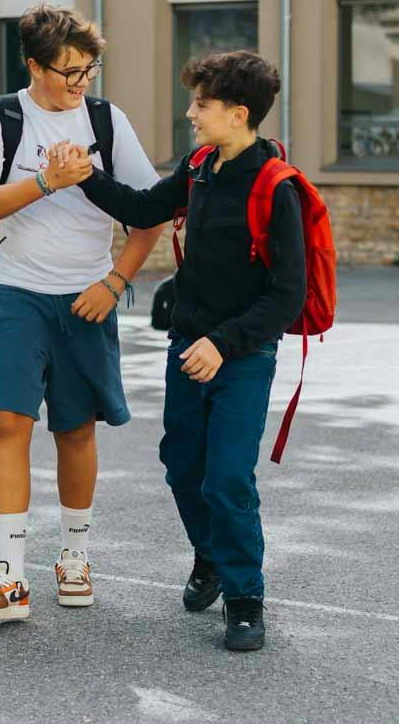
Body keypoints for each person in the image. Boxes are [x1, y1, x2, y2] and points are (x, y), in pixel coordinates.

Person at [62, 49, 306, 651]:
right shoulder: (200, 167)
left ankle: (246, 598)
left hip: (242, 356)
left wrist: (223, 344)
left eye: (201, 104)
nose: (189, 113)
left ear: (238, 112)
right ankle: (211, 557)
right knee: (182, 465)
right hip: (186, 348)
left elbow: (288, 297)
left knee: (227, 477)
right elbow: (145, 208)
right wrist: (84, 176)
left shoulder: (277, 189)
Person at [0, 3, 164, 622]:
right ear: (33, 65)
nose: (79, 83)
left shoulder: (106, 119)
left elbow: (149, 211)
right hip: (14, 291)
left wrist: (116, 280)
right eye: (67, 71)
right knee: (8, 425)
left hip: (84, 295)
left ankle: (74, 556)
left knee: (75, 430)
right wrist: (48, 181)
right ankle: (9, 575)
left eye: (87, 70)